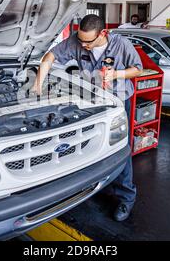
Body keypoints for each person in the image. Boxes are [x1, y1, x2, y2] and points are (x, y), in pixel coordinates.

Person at [33, 14, 143, 221]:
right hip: (91, 103)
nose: (83, 45)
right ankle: (97, 186)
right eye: (80, 40)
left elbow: (138, 69)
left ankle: (126, 198)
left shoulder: (122, 44)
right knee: (92, 147)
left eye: (88, 42)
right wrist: (37, 84)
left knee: (120, 148)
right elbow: (50, 57)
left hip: (117, 104)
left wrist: (117, 75)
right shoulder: (77, 40)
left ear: (103, 33)